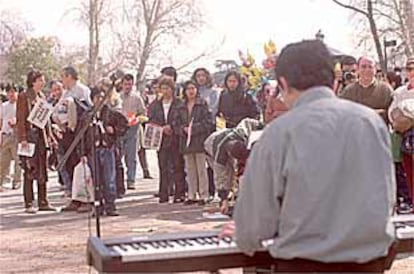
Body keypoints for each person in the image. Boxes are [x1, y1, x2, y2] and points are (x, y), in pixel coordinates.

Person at [224, 40, 395, 266]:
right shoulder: (371, 123)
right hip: (369, 263)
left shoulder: (278, 133)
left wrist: (242, 233)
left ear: (283, 83)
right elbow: (386, 200)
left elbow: (254, 228)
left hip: (304, 264)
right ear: (334, 82)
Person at [16, 70, 56, 213]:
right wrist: (23, 139)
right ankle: (29, 203)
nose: (42, 83)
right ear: (33, 81)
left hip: (41, 138)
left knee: (42, 169)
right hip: (29, 138)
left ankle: (43, 201)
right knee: (29, 169)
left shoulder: (42, 97)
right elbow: (20, 119)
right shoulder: (24, 96)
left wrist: (50, 136)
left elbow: (46, 120)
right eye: (40, 80)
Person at [204, 118, 262, 214]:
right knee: (227, 176)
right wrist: (224, 199)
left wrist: (263, 125)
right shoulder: (220, 154)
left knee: (239, 173)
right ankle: (225, 202)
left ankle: (238, 198)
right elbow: (220, 177)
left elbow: (247, 121)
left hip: (229, 139)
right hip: (210, 144)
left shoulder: (242, 133)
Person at [174, 80, 213, 205]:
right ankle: (191, 194)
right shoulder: (180, 106)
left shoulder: (203, 104)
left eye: (193, 88)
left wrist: (195, 128)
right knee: (190, 170)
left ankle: (204, 195)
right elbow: (176, 124)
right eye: (188, 89)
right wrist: (183, 129)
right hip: (186, 142)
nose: (191, 91)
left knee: (201, 169)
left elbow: (209, 122)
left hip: (200, 140)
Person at [148, 77, 185, 203]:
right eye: (163, 88)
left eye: (168, 88)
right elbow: (151, 120)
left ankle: (179, 193)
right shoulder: (155, 105)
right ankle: (163, 193)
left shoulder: (179, 103)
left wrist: (172, 127)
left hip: (175, 138)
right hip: (161, 139)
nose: (165, 91)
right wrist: (161, 128)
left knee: (177, 166)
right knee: (163, 166)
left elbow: (182, 119)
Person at [388, 56, 414, 208]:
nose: (412, 72)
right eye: (409, 69)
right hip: (404, 136)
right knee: (408, 171)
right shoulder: (400, 92)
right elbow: (393, 112)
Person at [340, 56, 393, 122]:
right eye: (363, 67)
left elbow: (392, 113)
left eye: (370, 67)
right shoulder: (348, 91)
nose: (367, 70)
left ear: (375, 69)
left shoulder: (386, 90)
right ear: (358, 69)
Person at [119, 74, 147, 190]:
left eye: (130, 84)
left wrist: (137, 119)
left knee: (131, 157)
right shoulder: (117, 97)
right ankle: (118, 180)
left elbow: (143, 114)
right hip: (119, 130)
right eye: (125, 84)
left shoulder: (136, 98)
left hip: (132, 129)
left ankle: (131, 180)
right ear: (122, 84)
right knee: (118, 156)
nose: (127, 87)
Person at [0, 84, 22, 190]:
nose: (11, 94)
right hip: (5, 135)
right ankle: (1, 181)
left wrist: (16, 123)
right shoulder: (4, 106)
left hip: (16, 135)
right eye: (9, 92)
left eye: (13, 91)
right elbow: (0, 120)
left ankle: (17, 181)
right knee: (3, 161)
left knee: (18, 161)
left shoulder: (20, 105)